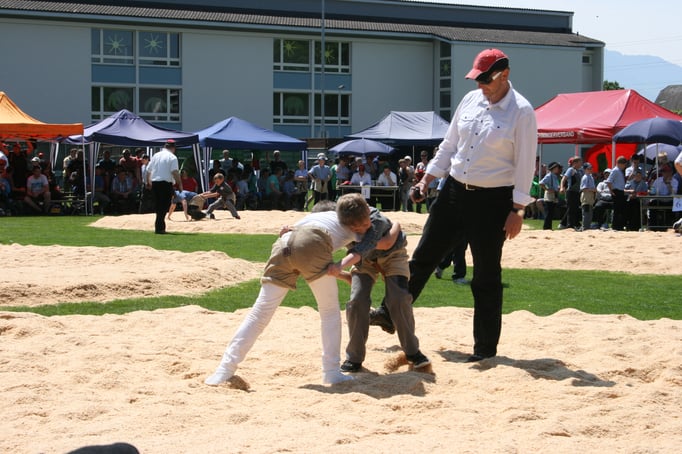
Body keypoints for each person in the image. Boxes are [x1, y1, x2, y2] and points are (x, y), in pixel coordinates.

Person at [372, 48, 537, 363]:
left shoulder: (522, 112)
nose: (480, 86)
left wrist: (517, 209)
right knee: (422, 257)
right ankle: (389, 314)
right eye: (477, 79)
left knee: (486, 274)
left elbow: (526, 164)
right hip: (454, 190)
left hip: (493, 201)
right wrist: (426, 181)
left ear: (505, 75)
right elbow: (449, 146)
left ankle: (484, 349)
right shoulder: (470, 100)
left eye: (486, 80)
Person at [205, 193, 391, 386]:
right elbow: (384, 241)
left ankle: (224, 370)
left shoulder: (321, 216)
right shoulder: (361, 225)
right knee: (329, 312)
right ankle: (331, 372)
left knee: (259, 312)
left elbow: (296, 238)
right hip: (313, 242)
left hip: (284, 243)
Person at [327, 196, 430, 373]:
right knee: (357, 301)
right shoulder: (337, 223)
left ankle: (413, 352)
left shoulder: (376, 220)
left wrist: (339, 266)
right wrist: (292, 230)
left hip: (392, 255)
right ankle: (354, 357)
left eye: (364, 224)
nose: (362, 229)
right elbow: (318, 228)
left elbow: (371, 246)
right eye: (355, 229)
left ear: (368, 211)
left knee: (399, 298)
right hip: (365, 261)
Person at [145, 140, 182, 234]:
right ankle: (160, 227)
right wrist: (180, 184)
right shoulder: (172, 157)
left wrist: (148, 182)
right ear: (173, 148)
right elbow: (175, 172)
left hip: (155, 183)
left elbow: (148, 170)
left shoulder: (156, 155)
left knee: (158, 206)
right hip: (165, 184)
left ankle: (159, 227)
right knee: (164, 206)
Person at [559, 156, 583, 230]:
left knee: (574, 208)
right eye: (580, 162)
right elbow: (564, 179)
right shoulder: (571, 170)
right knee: (571, 209)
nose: (581, 164)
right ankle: (570, 225)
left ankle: (564, 224)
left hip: (577, 192)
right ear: (575, 163)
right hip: (571, 191)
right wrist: (562, 187)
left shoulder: (579, 171)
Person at [606, 156, 628, 231]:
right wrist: (611, 190)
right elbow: (609, 181)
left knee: (621, 209)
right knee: (617, 210)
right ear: (620, 164)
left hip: (620, 191)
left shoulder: (619, 171)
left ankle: (619, 225)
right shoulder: (615, 170)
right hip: (616, 191)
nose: (624, 166)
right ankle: (615, 226)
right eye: (624, 164)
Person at [539, 161, 561, 230]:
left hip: (554, 195)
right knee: (548, 213)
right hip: (549, 196)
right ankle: (546, 228)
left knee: (551, 213)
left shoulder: (555, 176)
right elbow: (541, 183)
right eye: (556, 168)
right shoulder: (549, 175)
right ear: (553, 168)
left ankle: (549, 227)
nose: (558, 169)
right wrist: (547, 189)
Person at [578, 162, 597, 231]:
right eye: (588, 168)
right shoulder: (585, 177)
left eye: (591, 168)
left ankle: (588, 226)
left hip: (590, 195)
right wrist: (593, 190)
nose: (590, 169)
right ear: (585, 169)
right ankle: (585, 227)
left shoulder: (590, 176)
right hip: (586, 195)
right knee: (586, 212)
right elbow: (583, 188)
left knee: (590, 212)